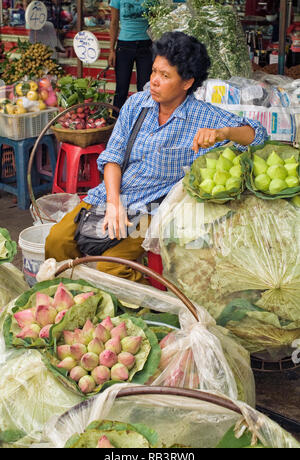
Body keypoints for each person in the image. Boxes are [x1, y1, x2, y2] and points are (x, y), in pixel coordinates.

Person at [45, 31, 268, 283]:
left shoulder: (204, 116)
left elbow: (258, 135)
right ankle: (69, 296)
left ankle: (144, 311)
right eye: (153, 71)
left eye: (165, 76)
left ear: (186, 83)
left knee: (113, 269)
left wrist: (223, 132)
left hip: (151, 211)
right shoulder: (136, 105)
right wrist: (113, 202)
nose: (154, 81)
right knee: (56, 242)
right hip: (112, 195)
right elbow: (113, 157)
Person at [108, 0, 153, 113]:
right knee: (121, 88)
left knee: (145, 88)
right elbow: (114, 23)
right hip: (124, 46)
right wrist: (111, 50)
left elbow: (155, 22)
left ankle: (142, 119)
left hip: (146, 46)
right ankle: (117, 119)